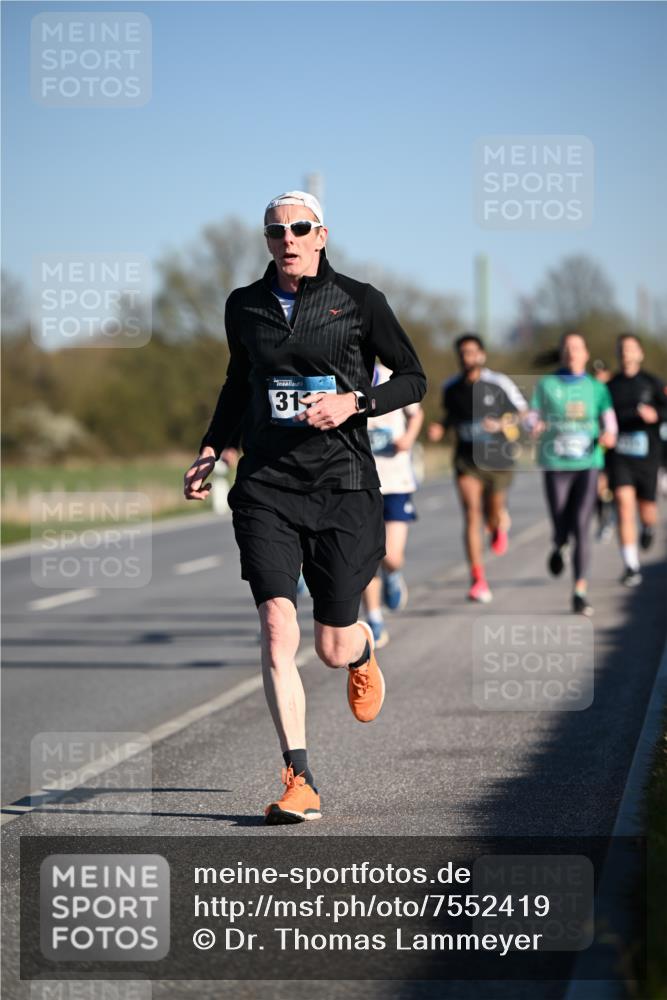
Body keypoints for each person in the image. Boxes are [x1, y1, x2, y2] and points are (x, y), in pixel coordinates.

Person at [184, 191, 426, 824]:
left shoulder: (361, 300)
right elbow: (239, 383)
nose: (286, 238)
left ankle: (363, 650)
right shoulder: (245, 305)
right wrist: (213, 448)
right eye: (275, 230)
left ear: (321, 234)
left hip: (343, 483)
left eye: (299, 228)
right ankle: (300, 777)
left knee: (331, 647)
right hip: (266, 484)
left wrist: (356, 403)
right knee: (274, 625)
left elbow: (412, 376)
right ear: (266, 240)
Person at [428, 334, 527, 604]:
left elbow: (522, 412)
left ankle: (498, 523)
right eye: (462, 353)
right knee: (472, 514)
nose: (467, 357)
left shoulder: (498, 383)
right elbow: (450, 416)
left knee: (492, 513)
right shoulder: (451, 387)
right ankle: (478, 579)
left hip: (497, 459)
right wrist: (440, 428)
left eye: (472, 352)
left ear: (481, 355)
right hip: (466, 460)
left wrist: (501, 423)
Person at [529, 331, 617, 616]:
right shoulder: (547, 384)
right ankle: (559, 542)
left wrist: (609, 435)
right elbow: (533, 414)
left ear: (586, 354)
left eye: (577, 348)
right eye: (566, 348)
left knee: (581, 525)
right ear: (562, 353)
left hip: (588, 463)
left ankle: (579, 590)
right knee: (560, 519)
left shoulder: (596, 388)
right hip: (555, 463)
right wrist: (535, 425)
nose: (571, 352)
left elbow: (609, 420)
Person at [361, 362, 424, 647]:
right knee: (365, 557)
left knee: (391, 555)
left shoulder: (391, 377)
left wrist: (408, 439)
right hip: (360, 484)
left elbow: (416, 414)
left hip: (396, 482)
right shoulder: (342, 374)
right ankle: (374, 617)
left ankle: (394, 574)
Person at [606, 333, 667, 586]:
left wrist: (657, 414)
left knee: (647, 509)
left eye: (631, 349)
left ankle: (648, 527)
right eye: (622, 349)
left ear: (640, 354)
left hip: (647, 454)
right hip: (619, 455)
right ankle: (631, 565)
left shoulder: (652, 383)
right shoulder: (610, 386)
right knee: (622, 503)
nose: (626, 353)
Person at [592, 360, 615, 542]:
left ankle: (611, 517)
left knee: (612, 487)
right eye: (595, 374)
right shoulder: (589, 393)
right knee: (600, 487)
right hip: (597, 447)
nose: (598, 377)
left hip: (616, 447)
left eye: (602, 374)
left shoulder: (614, 393)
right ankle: (604, 521)